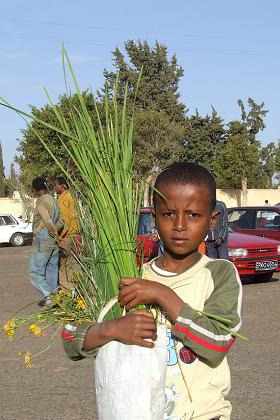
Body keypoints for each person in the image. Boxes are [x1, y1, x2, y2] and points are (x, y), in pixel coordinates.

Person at [61, 162, 242, 419]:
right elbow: (69, 340)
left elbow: (217, 343)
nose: (179, 225)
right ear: (154, 216)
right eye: (168, 214)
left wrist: (162, 295)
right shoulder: (133, 277)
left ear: (212, 220)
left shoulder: (218, 275)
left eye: (193, 215)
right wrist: (109, 329)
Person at [28, 177, 60, 307]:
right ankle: (54, 297)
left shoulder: (41, 200)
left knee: (34, 271)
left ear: (35, 190)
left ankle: (48, 296)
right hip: (53, 238)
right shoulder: (54, 200)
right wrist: (56, 235)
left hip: (44, 237)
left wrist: (50, 232)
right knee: (52, 268)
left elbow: (46, 220)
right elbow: (61, 220)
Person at [54, 175, 79, 291]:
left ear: (62, 185)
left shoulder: (64, 198)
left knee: (61, 266)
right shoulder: (71, 195)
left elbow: (63, 220)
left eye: (56, 184)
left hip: (66, 236)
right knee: (69, 265)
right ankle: (72, 290)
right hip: (74, 235)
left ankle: (66, 292)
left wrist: (58, 236)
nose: (55, 187)